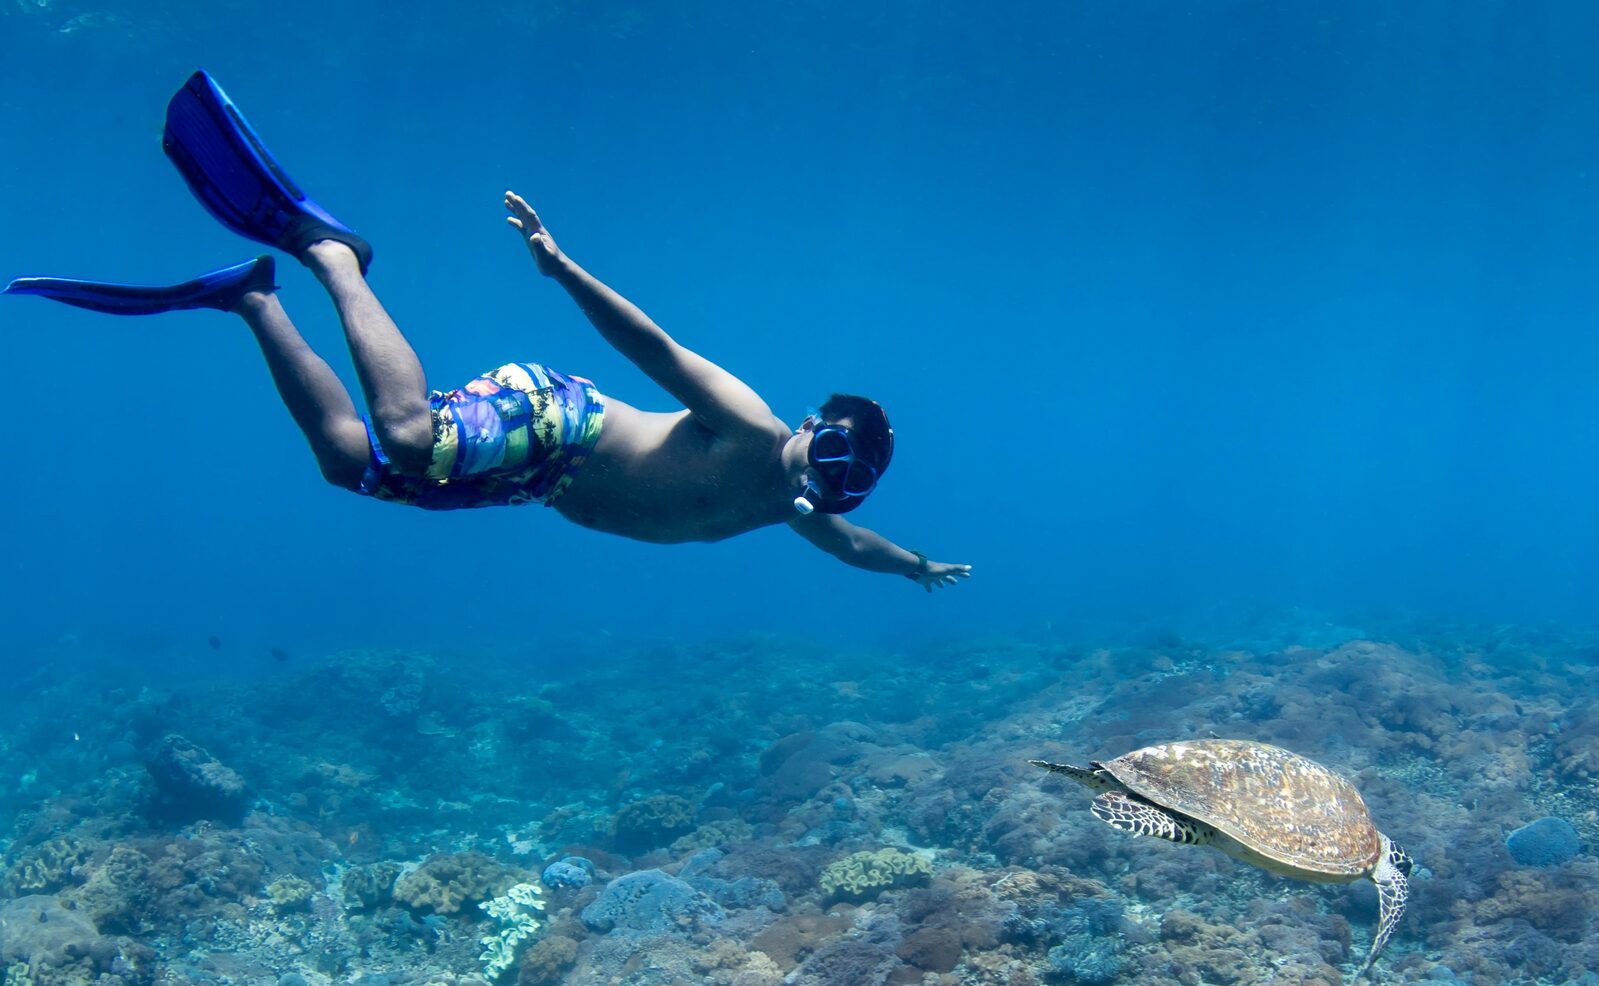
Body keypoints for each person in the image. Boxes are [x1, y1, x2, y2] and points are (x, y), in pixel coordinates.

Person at [5, 72, 970, 592]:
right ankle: (330, 254)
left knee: (354, 466)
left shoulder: (795, 509)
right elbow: (659, 354)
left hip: (539, 484)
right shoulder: (757, 432)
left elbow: (856, 550)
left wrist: (919, 567)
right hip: (558, 423)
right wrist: (561, 270)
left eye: (849, 477)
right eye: (833, 451)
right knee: (409, 437)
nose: (828, 477)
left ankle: (252, 296)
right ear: (813, 423)